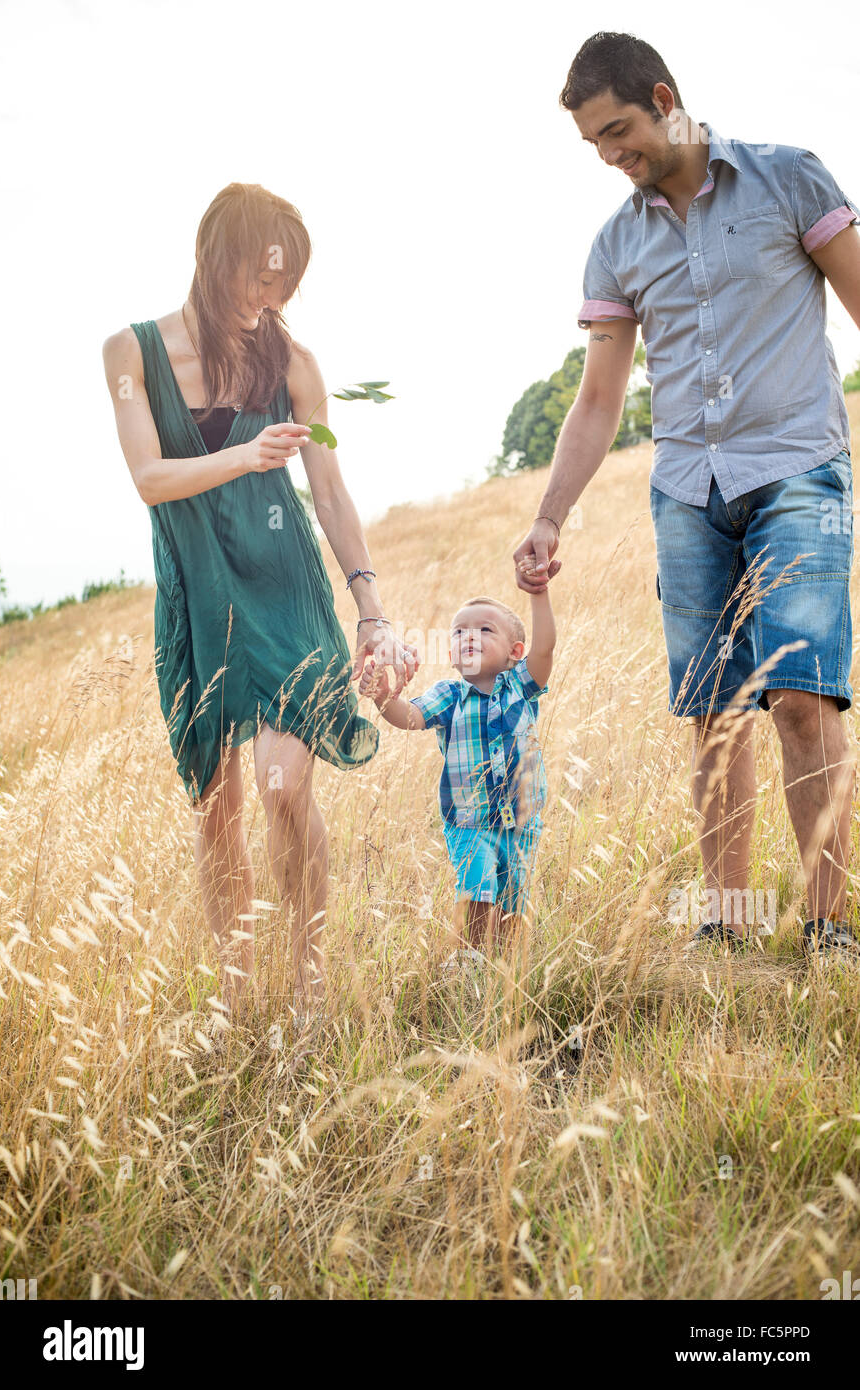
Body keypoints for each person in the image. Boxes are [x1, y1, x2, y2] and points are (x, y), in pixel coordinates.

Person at [514, 32, 860, 959]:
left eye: (619, 132)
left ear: (664, 97)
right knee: (713, 711)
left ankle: (829, 928)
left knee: (799, 698)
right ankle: (728, 923)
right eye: (594, 145)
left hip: (796, 472)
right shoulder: (616, 244)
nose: (611, 158)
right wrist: (549, 513)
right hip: (685, 494)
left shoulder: (790, 181)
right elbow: (597, 400)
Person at [102, 182, 418, 1033]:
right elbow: (149, 479)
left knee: (283, 787)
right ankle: (237, 993)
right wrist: (245, 455)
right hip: (197, 597)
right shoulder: (130, 353)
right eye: (257, 276)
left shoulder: (296, 365)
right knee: (217, 809)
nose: (267, 298)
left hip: (284, 589)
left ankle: (310, 982)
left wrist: (373, 610)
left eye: (282, 284)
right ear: (215, 257)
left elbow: (329, 492)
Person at [358, 591, 555, 958]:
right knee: (478, 891)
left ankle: (505, 965)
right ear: (450, 654)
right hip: (469, 822)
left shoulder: (521, 687)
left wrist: (539, 594)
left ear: (514, 652)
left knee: (513, 900)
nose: (469, 636)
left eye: (484, 629)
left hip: (521, 823)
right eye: (459, 632)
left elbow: (544, 650)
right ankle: (468, 961)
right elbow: (410, 717)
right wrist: (384, 696)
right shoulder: (449, 695)